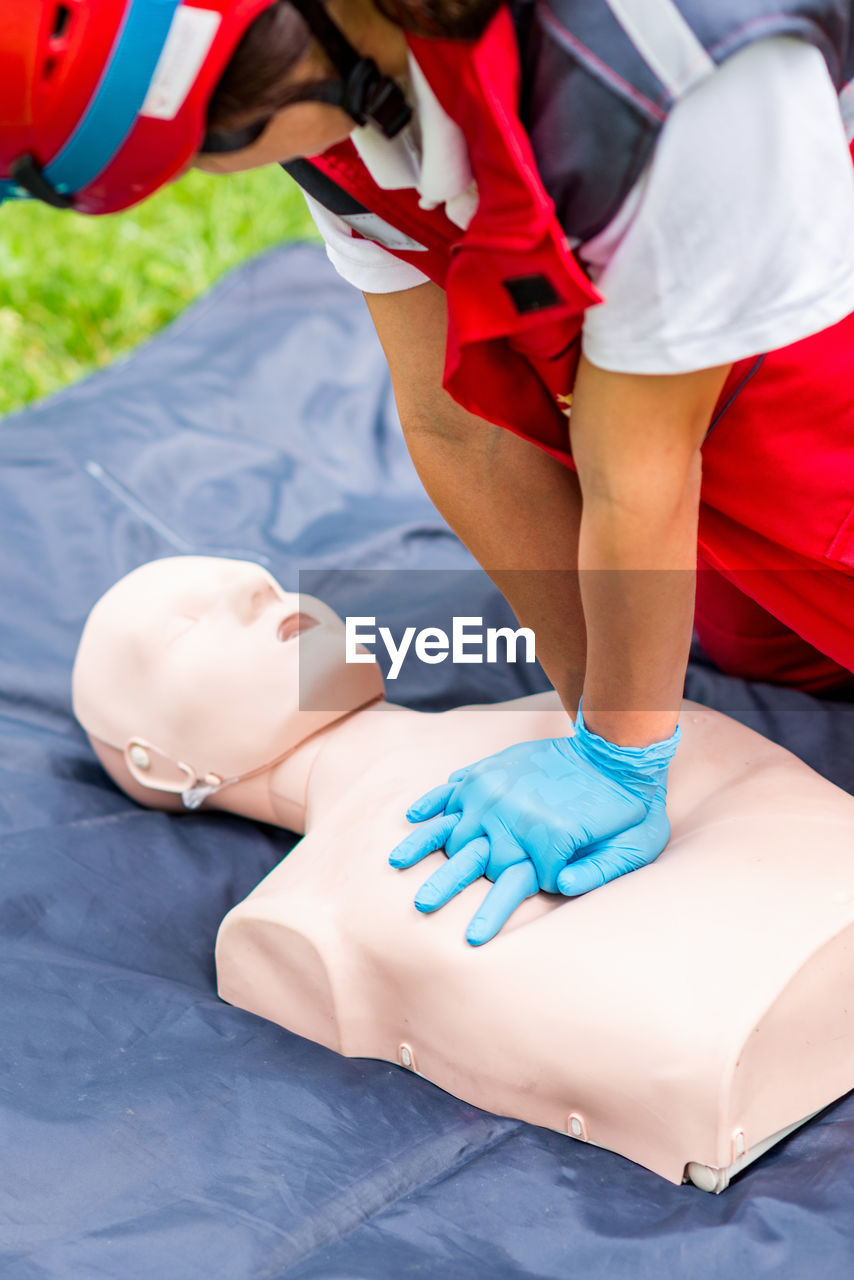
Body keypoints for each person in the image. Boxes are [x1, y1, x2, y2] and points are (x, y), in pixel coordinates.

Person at [5, 1, 854, 934]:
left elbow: (637, 466)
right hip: (675, 403)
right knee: (750, 640)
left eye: (208, 152)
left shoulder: (660, 64)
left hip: (805, 332)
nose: (266, 599)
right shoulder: (332, 108)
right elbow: (458, 428)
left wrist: (621, 752)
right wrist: (594, 721)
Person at [71, 555, 854, 1189]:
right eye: (187, 630)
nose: (263, 595)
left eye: (271, 584)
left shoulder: (589, 709)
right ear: (155, 762)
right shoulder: (291, 925)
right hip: (744, 1060)